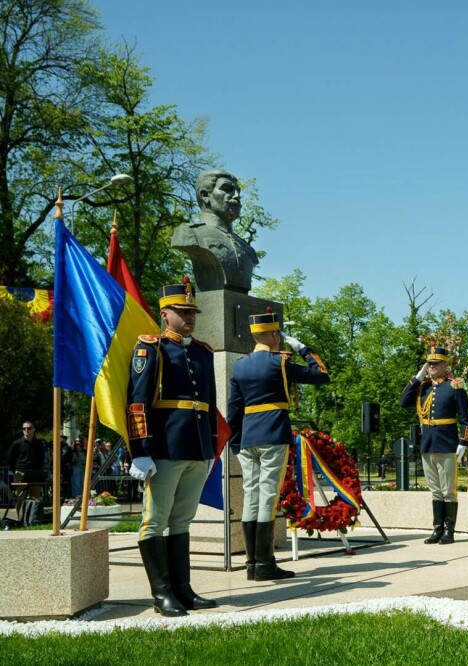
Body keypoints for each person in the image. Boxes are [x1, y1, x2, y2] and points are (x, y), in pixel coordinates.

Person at [126, 279, 218, 617]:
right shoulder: (151, 349)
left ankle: (183, 589)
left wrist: (211, 447)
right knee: (154, 520)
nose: (190, 317)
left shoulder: (203, 353)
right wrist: (141, 449)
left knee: (182, 521)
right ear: (165, 314)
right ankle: (161, 593)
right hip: (165, 447)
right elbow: (137, 402)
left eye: (192, 312)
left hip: (196, 447)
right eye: (182, 311)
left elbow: (209, 403)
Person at [227, 309, 330, 581]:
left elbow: (233, 409)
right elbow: (321, 374)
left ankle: (252, 564)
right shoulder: (280, 362)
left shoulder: (240, 365)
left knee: (251, 496)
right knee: (267, 496)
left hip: (247, 438)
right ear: (274, 334)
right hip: (272, 434)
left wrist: (236, 442)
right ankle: (265, 563)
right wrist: (303, 348)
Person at [400, 347, 468, 545]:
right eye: (429, 364)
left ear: (444, 365)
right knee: (435, 490)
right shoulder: (423, 388)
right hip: (428, 444)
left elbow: (466, 419)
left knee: (448, 491)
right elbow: (404, 402)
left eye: (435, 363)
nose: (431, 366)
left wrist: (464, 442)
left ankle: (449, 531)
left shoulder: (454, 386)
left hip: (447, 444)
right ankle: (437, 529)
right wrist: (418, 377)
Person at [171, 169, 259, 293]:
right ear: (205, 196)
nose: (237, 196)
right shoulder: (190, 234)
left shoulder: (247, 249)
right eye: (227, 189)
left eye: (238, 191)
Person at [8, 421, 45, 524]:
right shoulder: (17, 443)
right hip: (21, 472)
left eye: (29, 428)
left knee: (36, 496)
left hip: (35, 473)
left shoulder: (38, 444)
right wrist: (16, 471)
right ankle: (19, 519)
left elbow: (42, 458)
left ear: (34, 429)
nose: (26, 430)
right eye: (24, 429)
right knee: (21, 496)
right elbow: (10, 459)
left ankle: (34, 519)